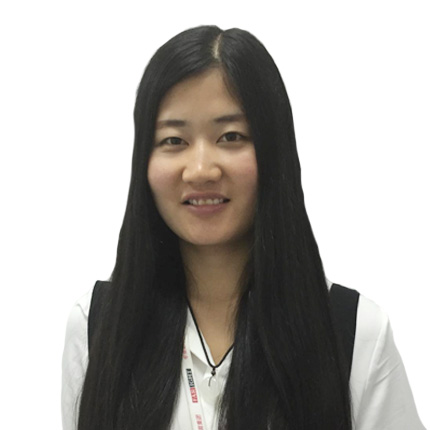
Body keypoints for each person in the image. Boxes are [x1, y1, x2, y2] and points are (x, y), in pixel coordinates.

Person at [61, 25, 426, 430]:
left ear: (273, 151)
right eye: (174, 140)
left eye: (230, 136)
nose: (201, 169)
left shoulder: (355, 332)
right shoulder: (98, 325)